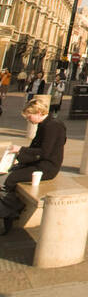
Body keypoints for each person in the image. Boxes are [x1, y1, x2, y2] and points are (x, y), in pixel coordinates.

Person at [0, 95, 67, 234]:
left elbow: (44, 152)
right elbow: (36, 148)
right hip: (38, 163)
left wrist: (21, 150)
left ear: (38, 113)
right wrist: (19, 157)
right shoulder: (45, 124)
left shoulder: (52, 126)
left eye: (29, 116)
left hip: (46, 168)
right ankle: (10, 209)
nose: (28, 119)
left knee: (4, 181)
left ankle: (13, 208)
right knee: (5, 173)